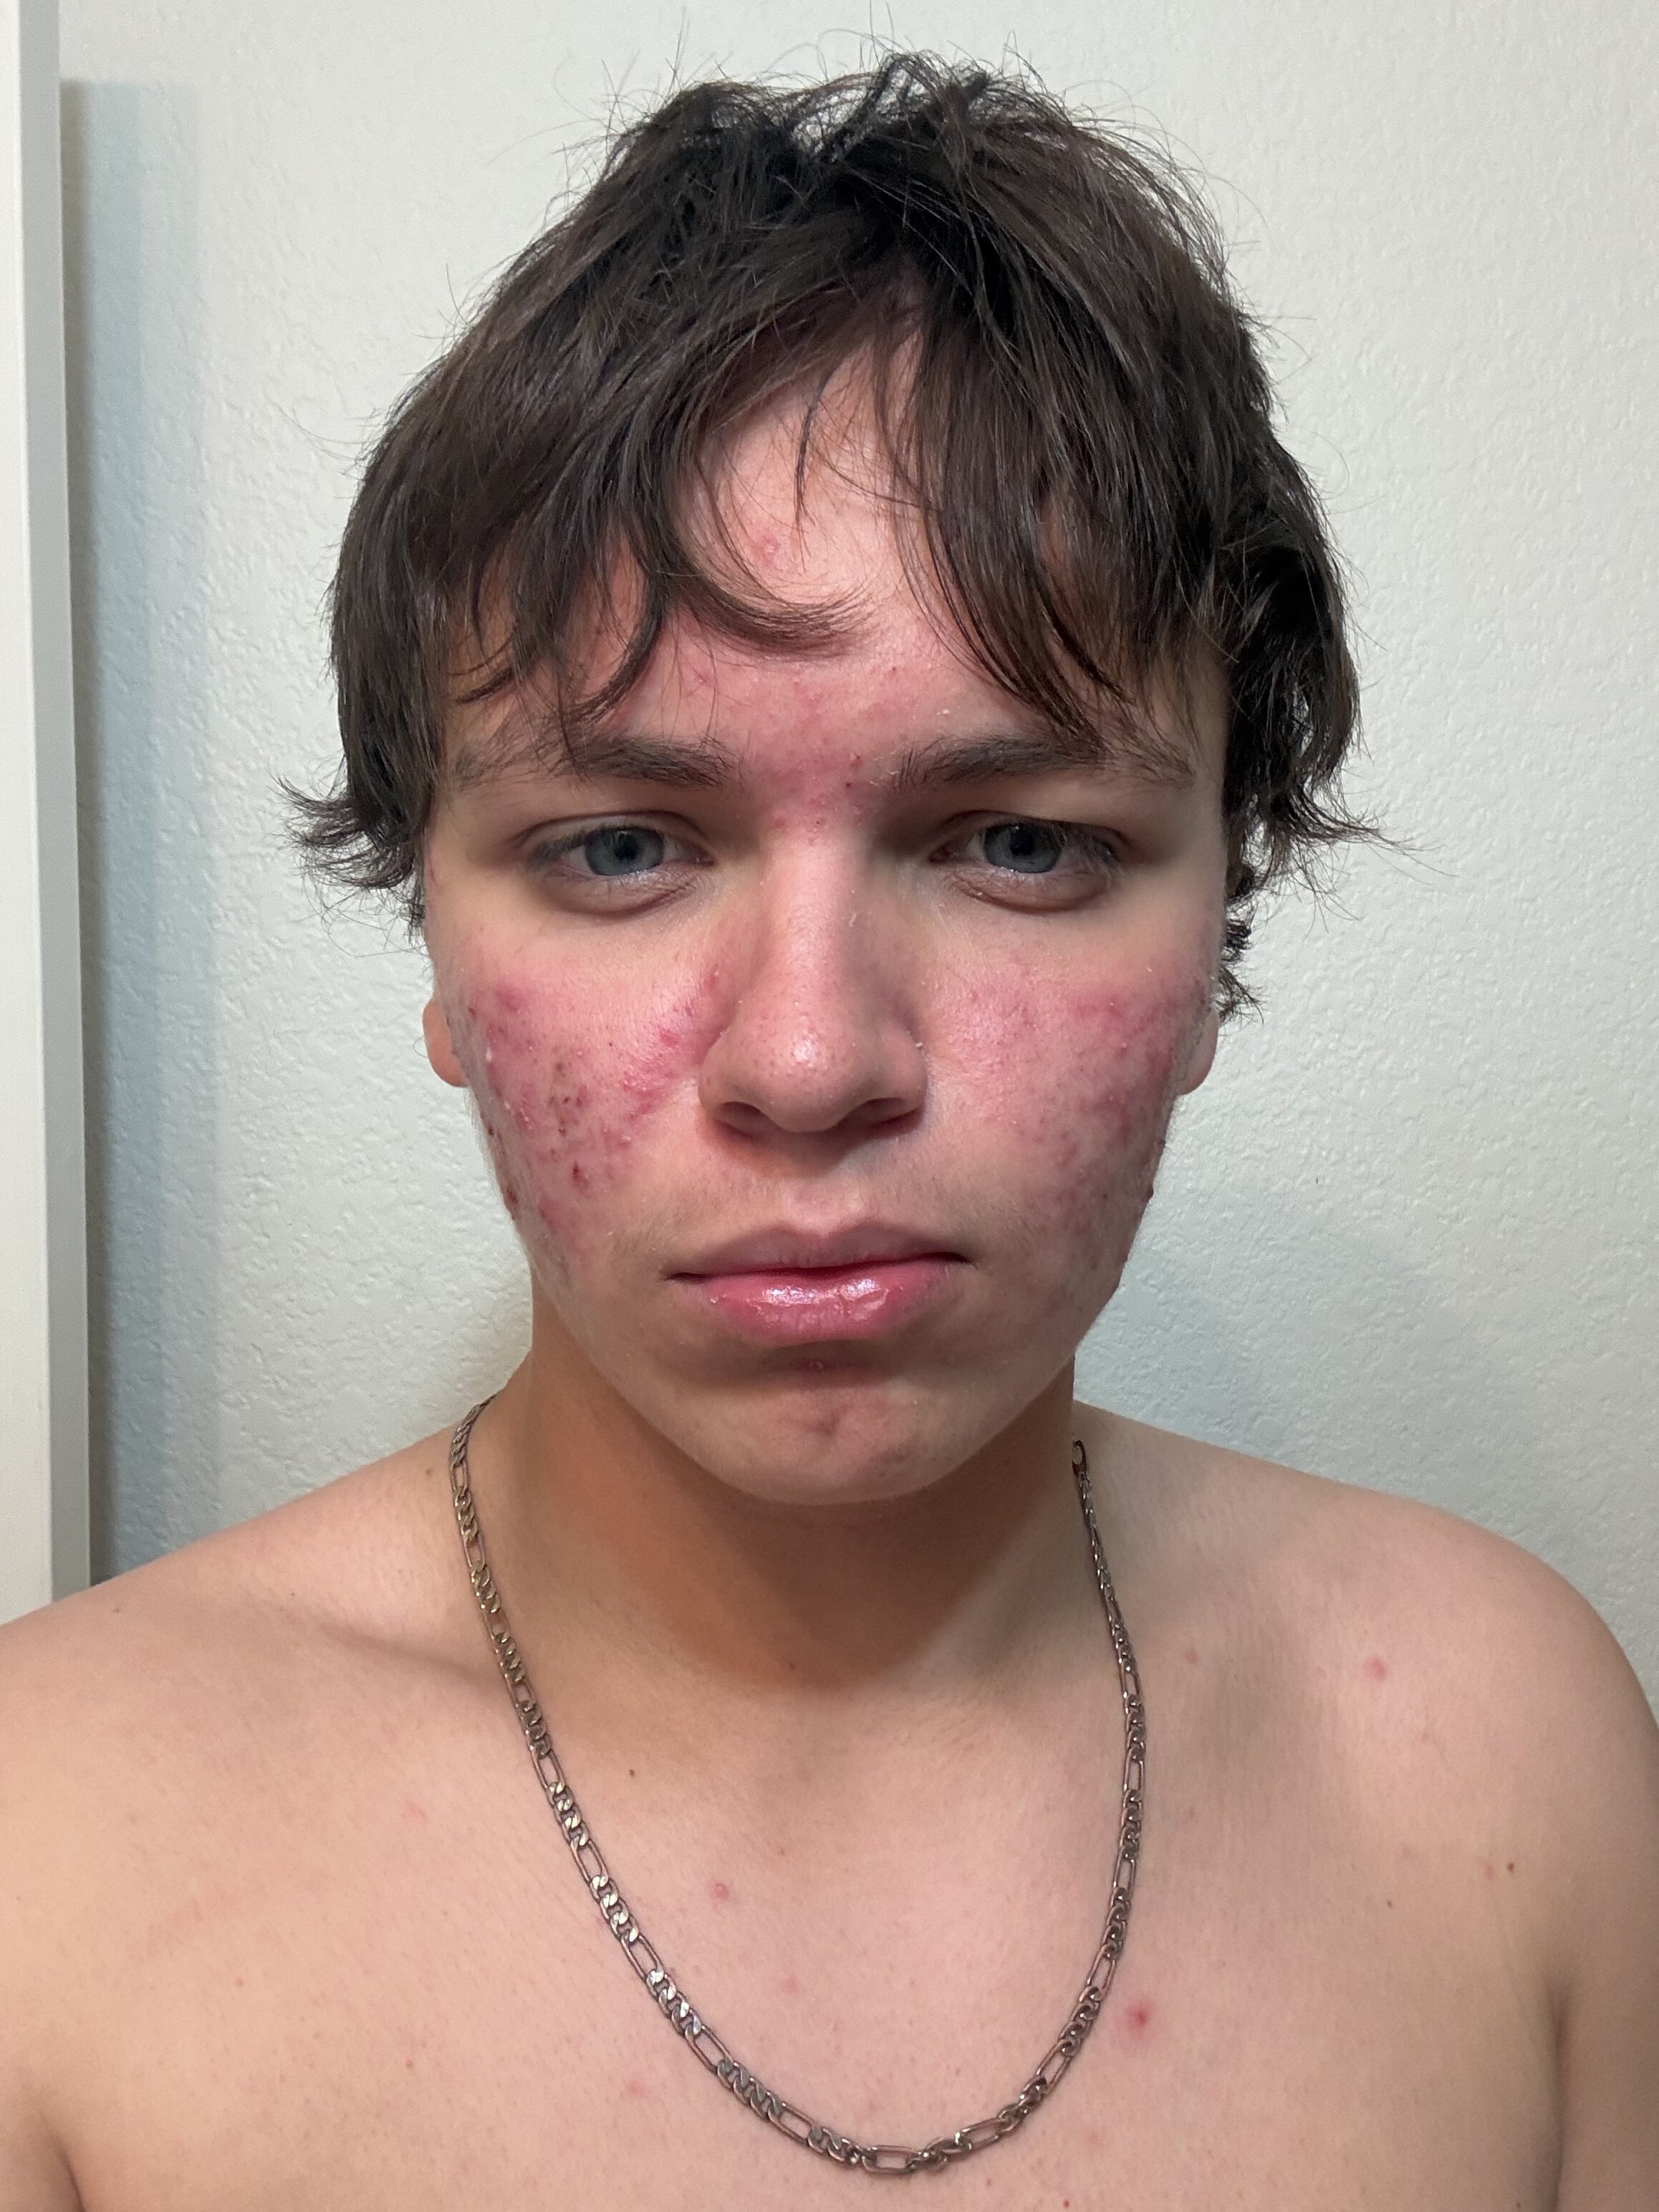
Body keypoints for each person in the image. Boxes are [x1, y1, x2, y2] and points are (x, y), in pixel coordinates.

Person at [2, 53, 1654, 2208]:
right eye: (620, 847)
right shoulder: (53, 1852)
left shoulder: (1511, 1758)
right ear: (439, 960)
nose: (806, 1060)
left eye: (1019, 844)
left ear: (1210, 948)